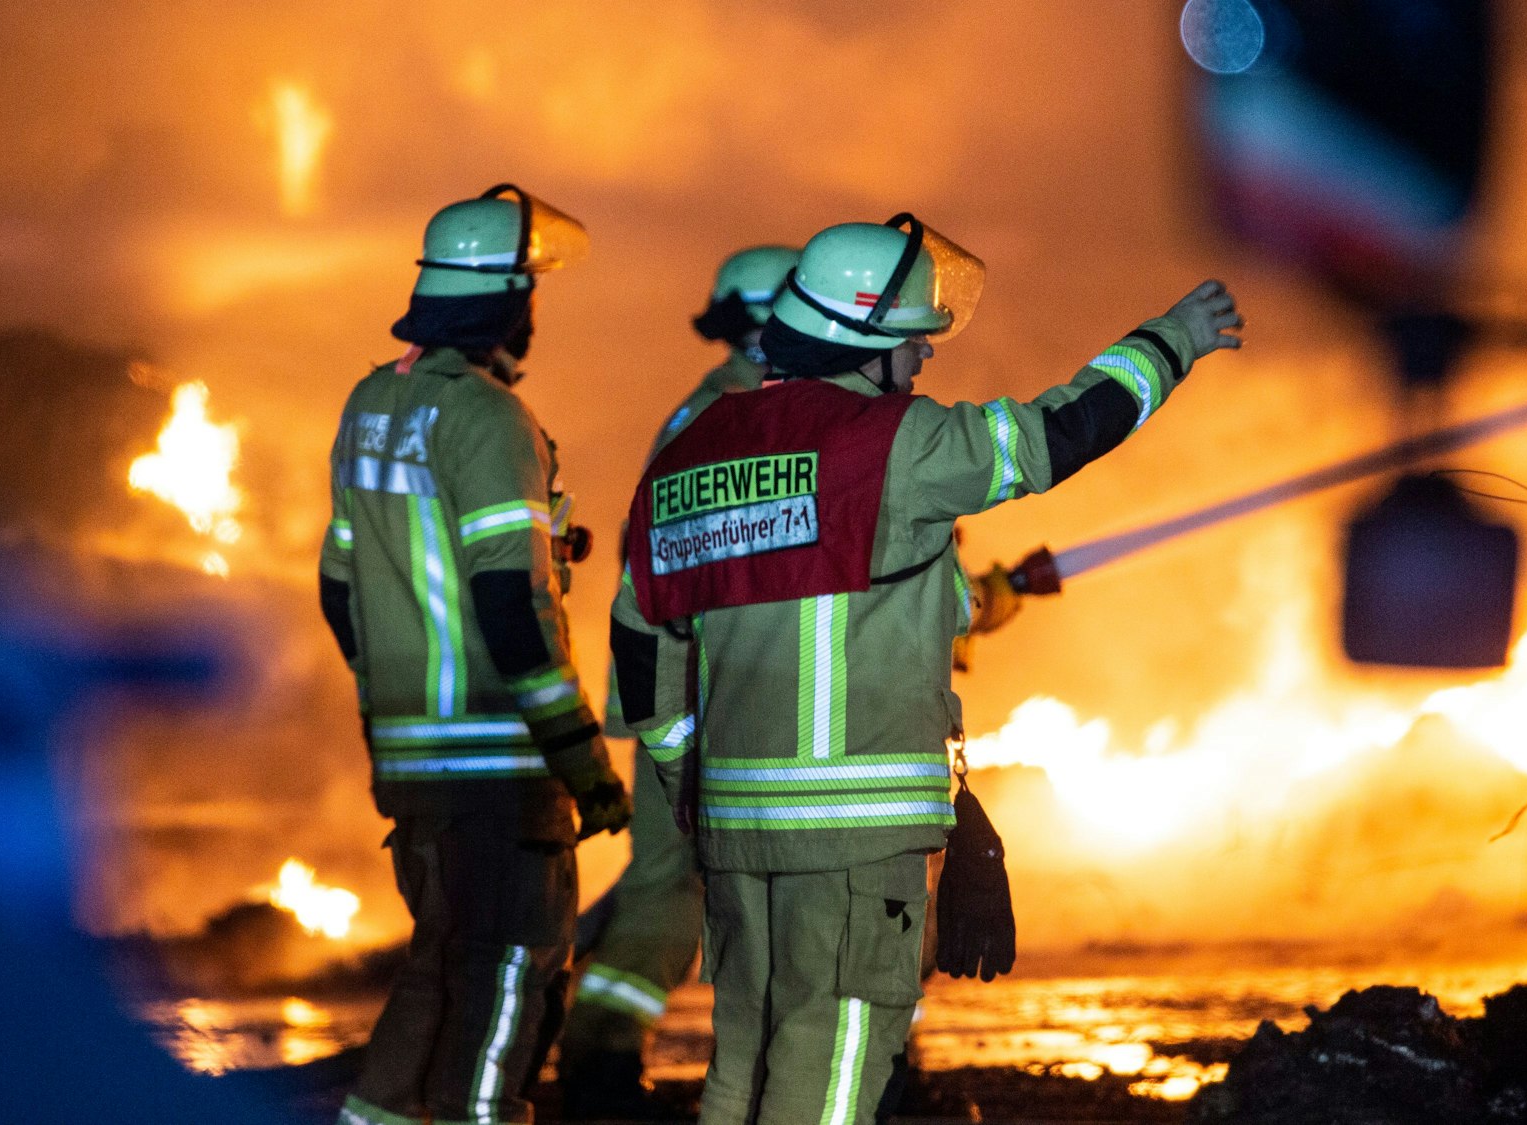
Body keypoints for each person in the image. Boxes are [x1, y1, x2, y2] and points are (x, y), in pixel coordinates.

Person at [609, 214, 1243, 1123]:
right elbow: (1057, 434)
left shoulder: (690, 457)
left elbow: (643, 637)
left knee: (740, 1064)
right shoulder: (892, 444)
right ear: (863, 343)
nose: (923, 365)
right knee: (826, 1081)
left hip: (736, 835)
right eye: (913, 344)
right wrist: (1173, 340)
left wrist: (684, 775)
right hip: (858, 845)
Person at [318, 184, 632, 1125]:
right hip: (500, 771)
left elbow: (340, 590)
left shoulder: (373, 403)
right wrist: (583, 764)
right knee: (507, 981)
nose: (535, 310)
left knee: (440, 973)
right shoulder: (491, 422)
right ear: (502, 300)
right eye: (528, 290)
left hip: (414, 770)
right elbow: (512, 604)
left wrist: (396, 700)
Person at [558, 244, 800, 1115]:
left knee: (670, 881)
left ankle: (578, 1024)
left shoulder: (719, 410)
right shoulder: (747, 419)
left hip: (687, 686)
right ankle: (596, 1055)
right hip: (708, 693)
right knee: (682, 888)